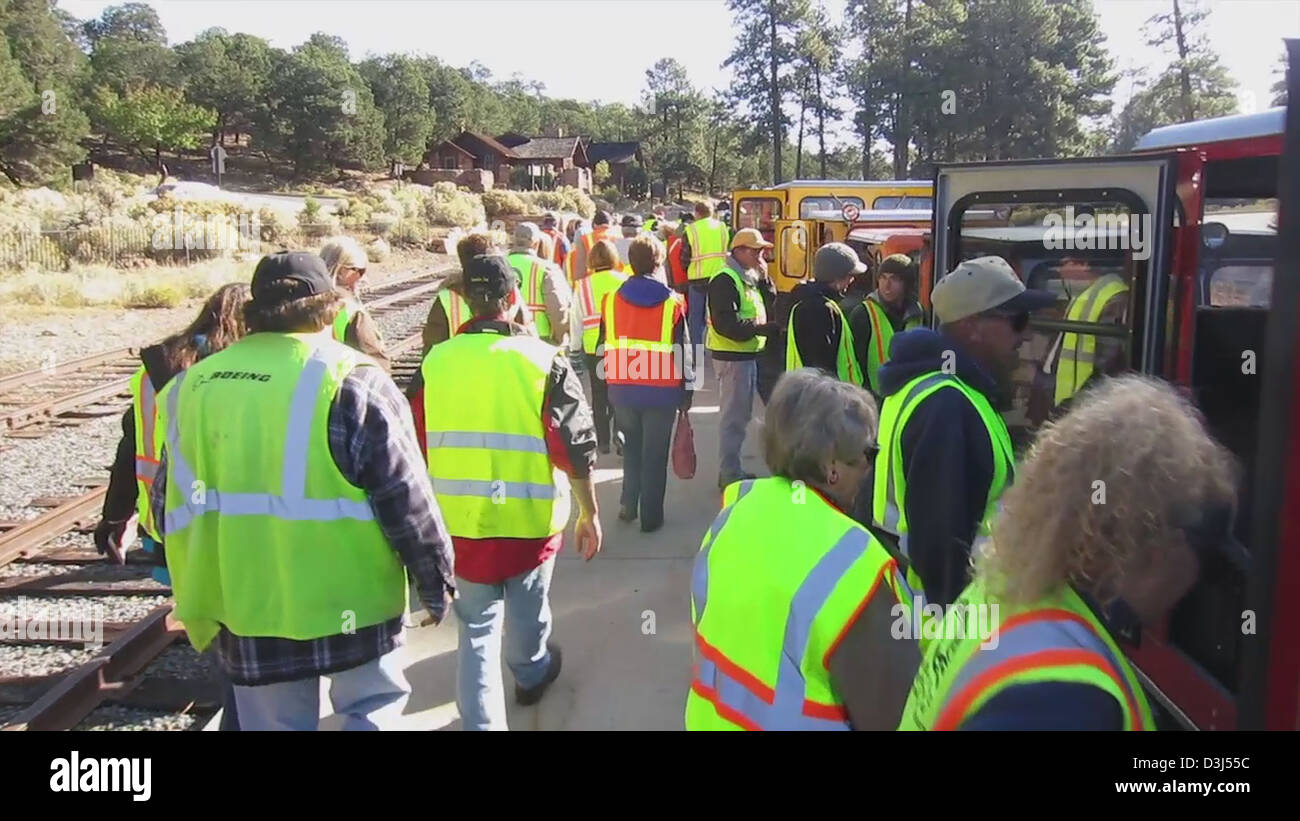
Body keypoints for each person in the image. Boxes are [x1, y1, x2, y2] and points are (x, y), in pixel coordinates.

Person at [150, 251, 456, 731]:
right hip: (352, 603)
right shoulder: (354, 381)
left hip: (245, 604)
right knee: (371, 711)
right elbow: (406, 499)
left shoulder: (191, 386)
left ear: (253, 313)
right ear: (332, 309)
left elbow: (164, 502)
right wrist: (435, 582)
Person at [899, 375, 1238, 730]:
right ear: (1159, 545)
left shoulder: (1005, 589)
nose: (1199, 579)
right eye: (1204, 552)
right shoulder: (1066, 697)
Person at [416, 254, 601, 731]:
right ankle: (531, 670)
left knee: (475, 630)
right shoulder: (542, 360)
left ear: (464, 302)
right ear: (514, 299)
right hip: (529, 518)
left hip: (460, 523)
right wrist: (589, 512)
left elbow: (412, 441)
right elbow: (574, 447)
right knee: (528, 607)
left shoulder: (436, 362)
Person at [686, 368, 919, 730]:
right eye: (868, 454)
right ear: (831, 468)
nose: (871, 468)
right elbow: (902, 717)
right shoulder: (856, 566)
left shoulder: (733, 515)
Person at [94, 281, 249, 732]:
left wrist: (114, 516)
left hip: (166, 527)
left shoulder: (153, 372)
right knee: (238, 627)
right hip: (225, 523)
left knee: (215, 622)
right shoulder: (234, 375)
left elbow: (130, 446)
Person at [869, 256, 1055, 611]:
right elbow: (941, 549)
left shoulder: (944, 390)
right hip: (946, 623)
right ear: (973, 325)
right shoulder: (948, 404)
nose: (1027, 334)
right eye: (1017, 321)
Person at [599, 234, 693, 533]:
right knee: (654, 456)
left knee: (632, 450)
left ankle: (628, 504)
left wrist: (605, 390)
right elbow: (684, 351)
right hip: (661, 392)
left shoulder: (611, 300)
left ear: (630, 262)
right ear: (659, 261)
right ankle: (651, 517)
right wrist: (687, 393)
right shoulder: (673, 304)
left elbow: (603, 345)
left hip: (622, 387)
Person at [707, 227, 779, 489]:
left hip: (746, 354)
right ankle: (729, 473)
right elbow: (726, 324)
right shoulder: (725, 279)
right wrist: (761, 329)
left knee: (740, 415)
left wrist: (766, 279)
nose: (761, 256)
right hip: (733, 356)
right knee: (734, 417)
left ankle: (731, 469)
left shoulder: (747, 275)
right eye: (756, 250)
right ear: (739, 251)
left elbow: (769, 305)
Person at [1040, 255, 1130, 410]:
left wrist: (1078, 400)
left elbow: (1108, 362)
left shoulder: (1114, 297)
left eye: (1065, 263)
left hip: (1086, 404)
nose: (1060, 271)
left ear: (1084, 264)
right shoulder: (1084, 294)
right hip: (1070, 400)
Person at [422, 232, 530, 354]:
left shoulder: (447, 297)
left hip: (458, 367)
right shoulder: (508, 293)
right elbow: (527, 332)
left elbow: (432, 346)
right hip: (505, 364)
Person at [575, 239, 628, 454]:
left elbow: (575, 318)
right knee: (620, 393)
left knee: (599, 395)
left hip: (592, 346)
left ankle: (603, 440)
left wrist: (573, 346)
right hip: (620, 344)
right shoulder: (623, 281)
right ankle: (621, 435)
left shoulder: (583, 286)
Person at [785, 242, 865, 384]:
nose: (851, 280)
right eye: (849, 275)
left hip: (808, 393)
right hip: (825, 397)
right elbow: (821, 364)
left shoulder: (808, 303)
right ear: (837, 277)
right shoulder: (820, 309)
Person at [848, 252, 926, 397]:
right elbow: (855, 364)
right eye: (883, 278)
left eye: (894, 279)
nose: (887, 285)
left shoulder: (919, 313)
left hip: (910, 396)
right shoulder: (863, 314)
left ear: (907, 284)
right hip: (874, 399)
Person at [319, 236, 390, 370]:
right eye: (359, 270)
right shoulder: (350, 311)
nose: (361, 277)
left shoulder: (302, 302)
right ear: (340, 270)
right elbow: (375, 363)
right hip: (340, 384)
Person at [682, 201, 730, 376]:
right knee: (718, 315)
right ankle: (721, 351)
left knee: (697, 320)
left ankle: (696, 355)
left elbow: (684, 256)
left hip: (697, 279)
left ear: (696, 213)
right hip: (720, 277)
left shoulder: (691, 230)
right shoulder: (723, 228)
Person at [506, 222, 572, 347]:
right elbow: (557, 308)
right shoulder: (546, 268)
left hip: (506, 335)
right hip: (540, 335)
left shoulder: (500, 264)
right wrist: (559, 338)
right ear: (536, 243)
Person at [567, 210, 618, 282]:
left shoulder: (585, 238)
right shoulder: (618, 237)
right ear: (610, 223)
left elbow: (580, 268)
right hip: (616, 280)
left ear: (594, 224)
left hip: (592, 282)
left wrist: (579, 286)